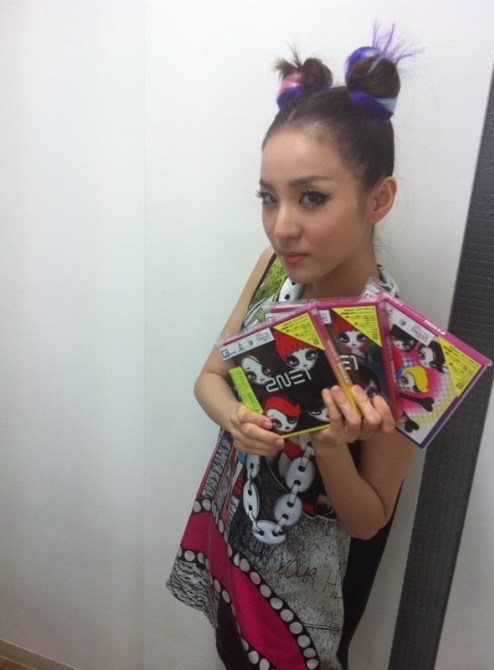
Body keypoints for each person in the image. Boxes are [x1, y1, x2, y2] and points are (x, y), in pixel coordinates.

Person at [167, 25, 417, 670]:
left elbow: (368, 521)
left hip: (307, 600)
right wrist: (236, 419)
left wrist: (331, 448)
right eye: (268, 198)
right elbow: (209, 377)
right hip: (238, 537)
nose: (282, 226)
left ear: (378, 199)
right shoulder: (273, 272)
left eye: (312, 198)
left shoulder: (398, 350)